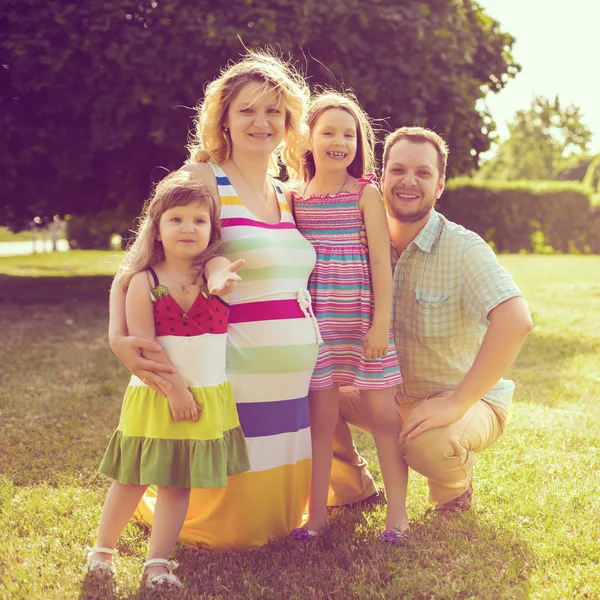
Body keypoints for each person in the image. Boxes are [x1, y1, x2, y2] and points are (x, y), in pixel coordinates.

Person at [108, 51, 320, 549]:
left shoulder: (289, 194)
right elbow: (136, 263)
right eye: (246, 110)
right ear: (222, 119)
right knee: (229, 532)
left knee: (274, 526)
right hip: (230, 369)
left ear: (288, 121)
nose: (260, 122)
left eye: (273, 111)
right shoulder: (202, 179)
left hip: (291, 382)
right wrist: (118, 336)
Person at [329, 126, 533, 514]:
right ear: (381, 178)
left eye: (423, 173)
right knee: (316, 394)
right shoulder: (357, 240)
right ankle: (353, 487)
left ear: (440, 185)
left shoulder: (463, 248)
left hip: (461, 400)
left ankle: (454, 487)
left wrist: (457, 402)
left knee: (428, 445)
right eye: (399, 170)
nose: (409, 181)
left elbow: (516, 319)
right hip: (385, 396)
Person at [86, 172, 250, 591]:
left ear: (212, 230)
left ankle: (157, 562)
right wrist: (176, 392)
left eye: (199, 220)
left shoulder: (212, 271)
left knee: (178, 483)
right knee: (133, 478)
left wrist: (220, 281)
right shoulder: (144, 281)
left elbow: (218, 272)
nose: (188, 228)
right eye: (176, 219)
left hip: (204, 396)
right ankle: (102, 553)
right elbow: (145, 347)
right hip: (158, 395)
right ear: (156, 229)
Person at [291, 92, 407, 543]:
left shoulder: (366, 194)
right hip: (316, 325)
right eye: (328, 133)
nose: (339, 142)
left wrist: (381, 324)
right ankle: (315, 516)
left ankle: (397, 517)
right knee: (321, 422)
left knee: (382, 417)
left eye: (348, 134)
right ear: (308, 140)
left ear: (359, 143)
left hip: (361, 322)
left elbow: (381, 262)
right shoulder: (295, 197)